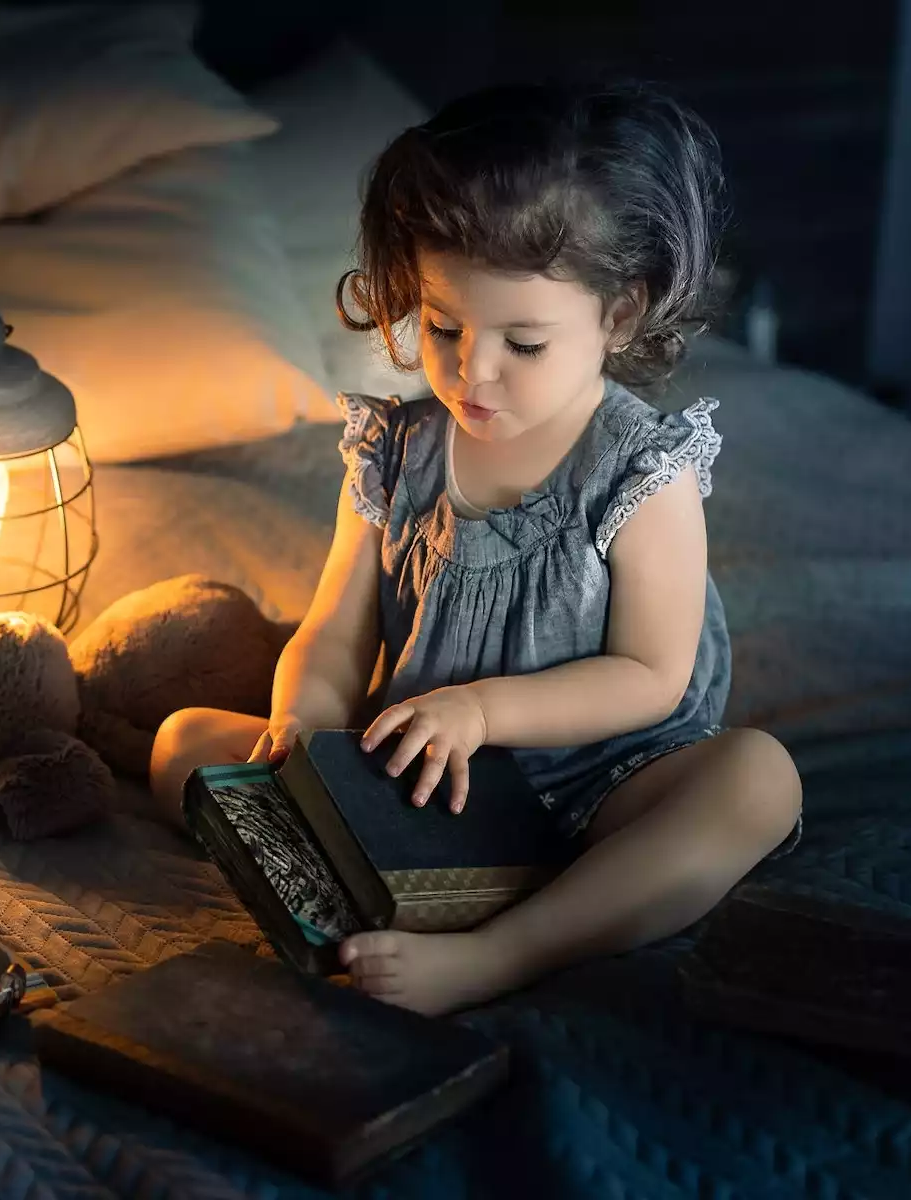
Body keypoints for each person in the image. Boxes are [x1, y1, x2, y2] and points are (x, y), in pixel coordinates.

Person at [149, 81, 803, 1016]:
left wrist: (484, 710)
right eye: (444, 327)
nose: (470, 370)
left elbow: (651, 677)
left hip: (599, 788)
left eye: (523, 344)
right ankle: (438, 882)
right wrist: (304, 727)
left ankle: (504, 946)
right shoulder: (395, 452)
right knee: (185, 747)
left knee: (757, 781)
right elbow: (336, 630)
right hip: (418, 777)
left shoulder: (642, 474)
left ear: (619, 317)